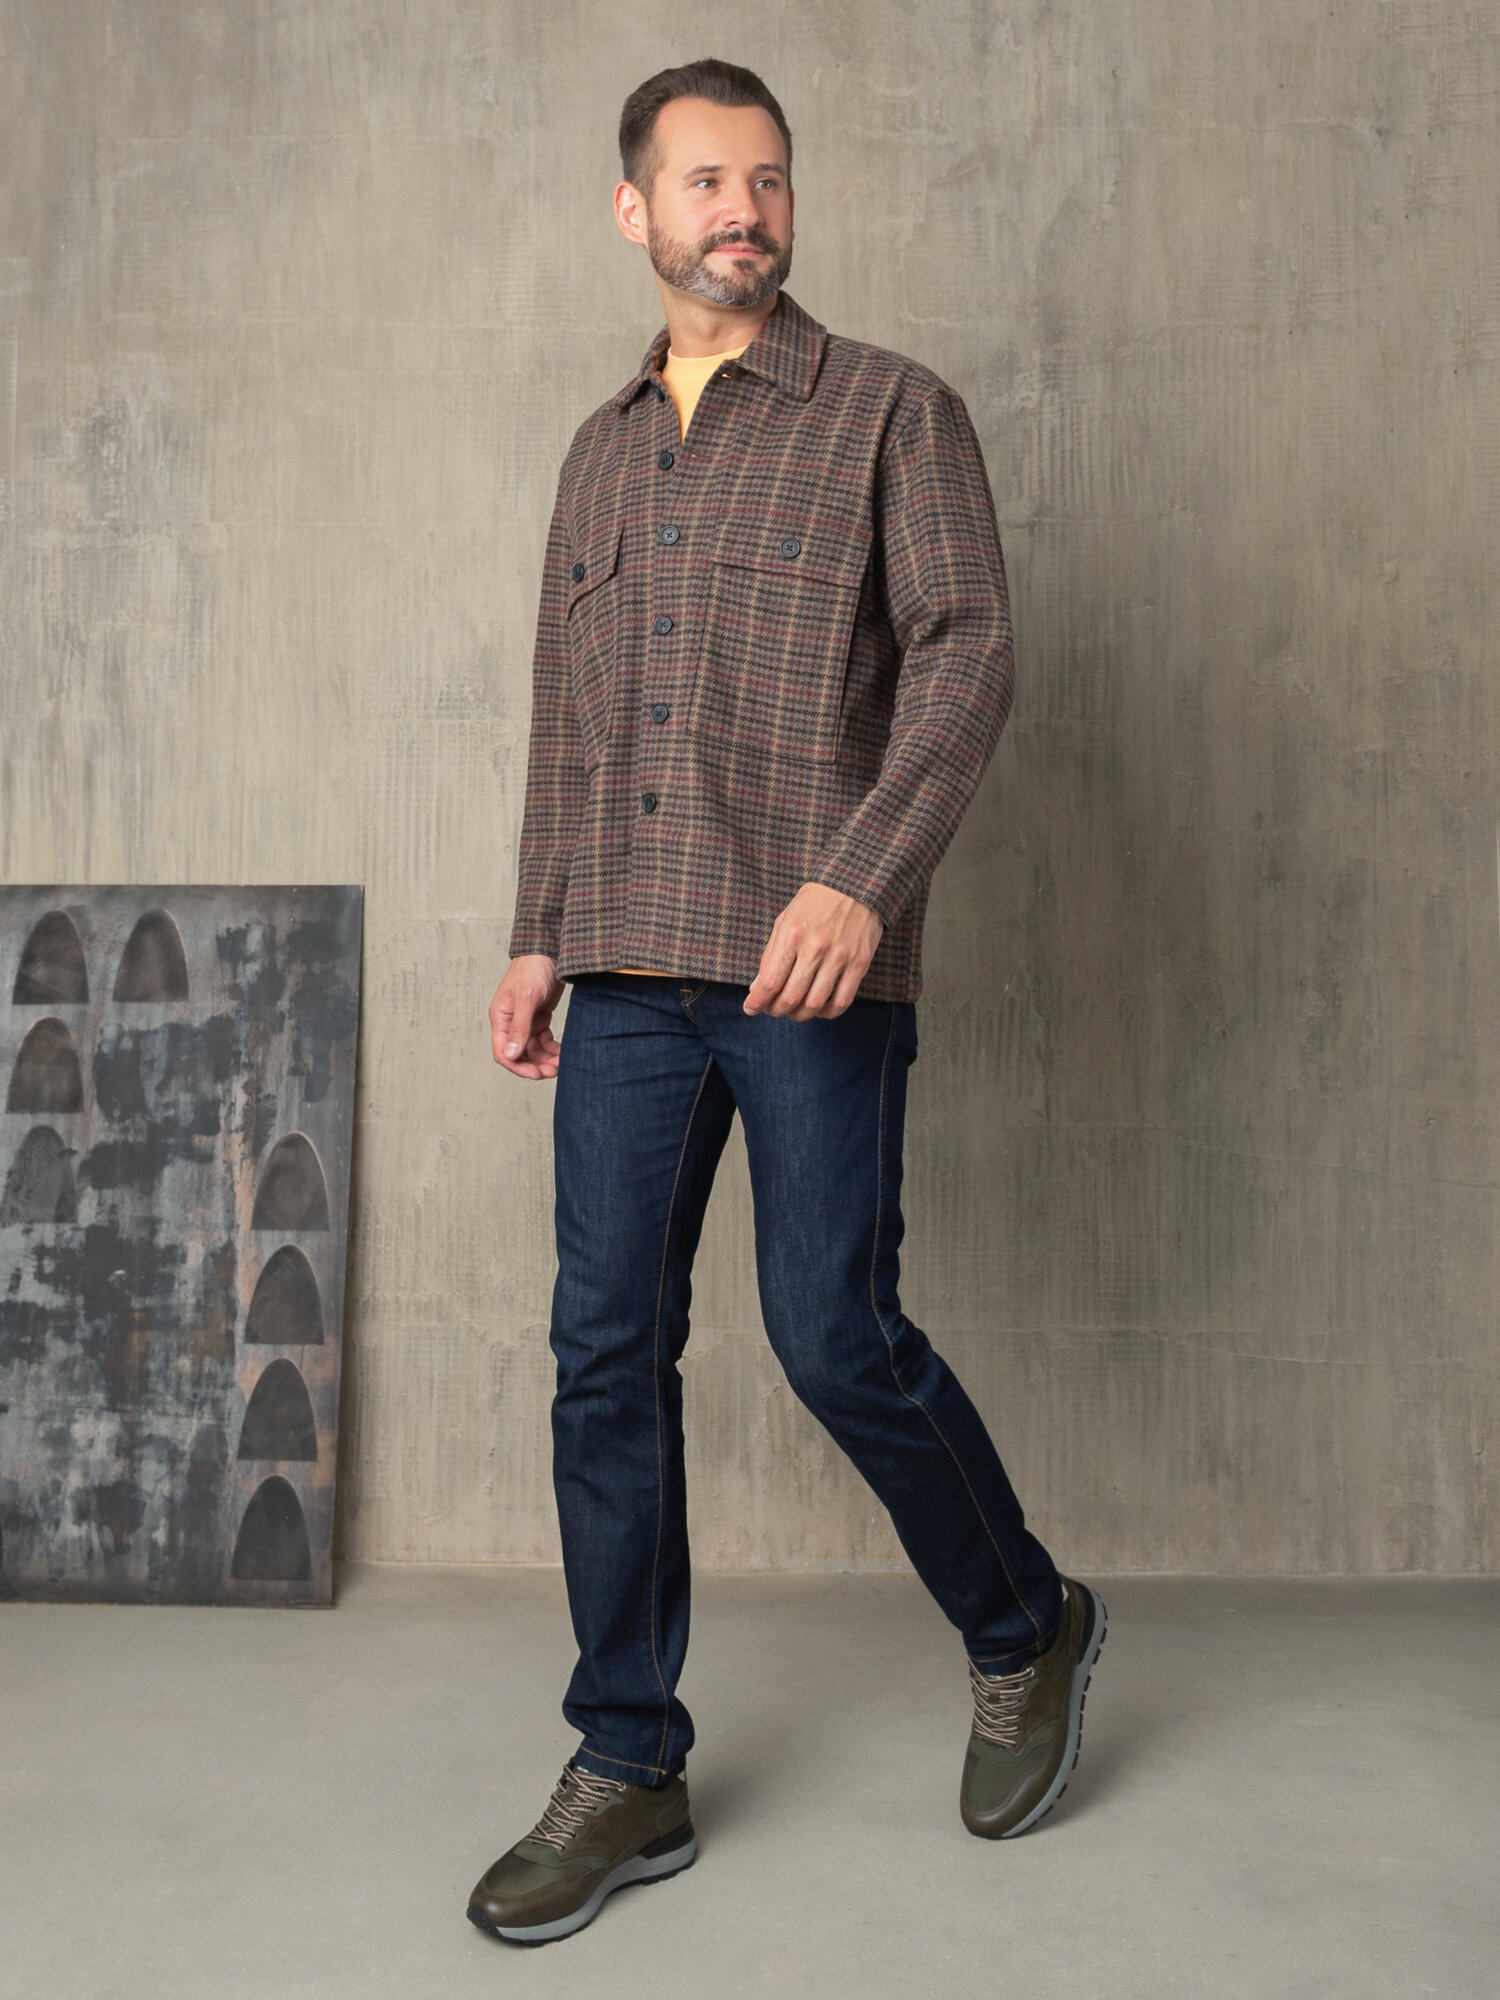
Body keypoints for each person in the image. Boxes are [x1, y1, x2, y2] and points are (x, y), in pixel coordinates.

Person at [468, 58, 1105, 1947]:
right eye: (703, 181)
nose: (740, 208)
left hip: (807, 957)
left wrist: (862, 874)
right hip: (625, 971)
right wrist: (536, 927)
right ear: (636, 212)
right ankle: (627, 1760)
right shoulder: (598, 457)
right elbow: (568, 719)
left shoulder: (893, 411)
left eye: (767, 179)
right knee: (603, 1352)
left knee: (834, 1336)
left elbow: (968, 657)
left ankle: (1027, 1622)